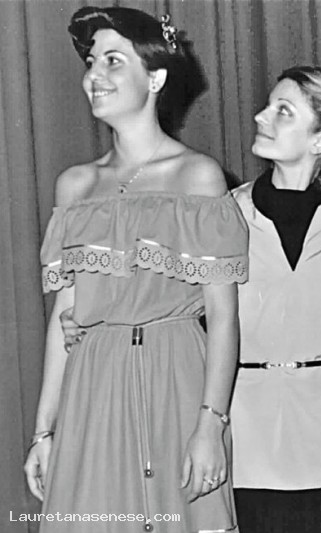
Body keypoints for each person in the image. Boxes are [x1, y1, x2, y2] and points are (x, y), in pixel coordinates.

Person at [24, 7, 246, 532]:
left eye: (113, 61)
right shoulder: (74, 185)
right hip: (94, 388)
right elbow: (64, 317)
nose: (94, 76)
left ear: (156, 78)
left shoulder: (197, 175)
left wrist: (211, 425)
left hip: (177, 380)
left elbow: (223, 317)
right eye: (91, 62)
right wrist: (44, 432)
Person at [228, 66, 321, 532]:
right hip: (246, 439)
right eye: (267, 106)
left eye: (283, 111)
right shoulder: (224, 211)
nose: (260, 116)